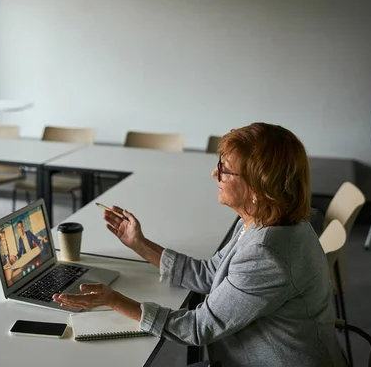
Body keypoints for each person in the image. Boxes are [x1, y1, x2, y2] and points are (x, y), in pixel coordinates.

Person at [53, 122, 348, 367]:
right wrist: (139, 244)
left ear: (258, 189)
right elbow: (211, 274)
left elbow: (197, 327)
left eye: (225, 170)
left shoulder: (268, 253)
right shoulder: (265, 218)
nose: (213, 174)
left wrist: (114, 300)